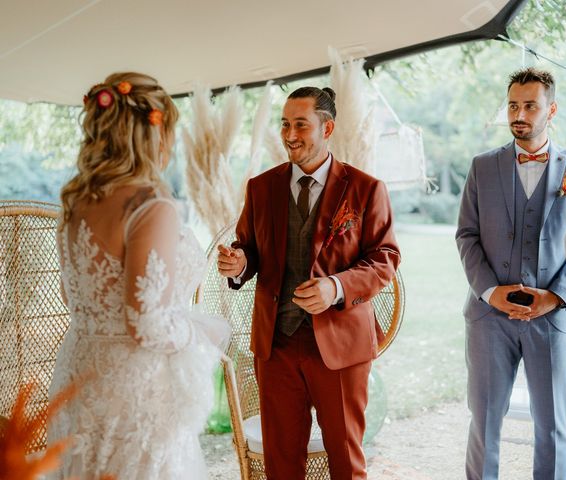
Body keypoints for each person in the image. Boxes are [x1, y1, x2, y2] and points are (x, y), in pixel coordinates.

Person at [48, 72, 228, 479]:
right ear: (154, 134)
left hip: (79, 373)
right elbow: (146, 324)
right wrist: (198, 335)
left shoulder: (77, 202)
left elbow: (71, 292)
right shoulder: (150, 205)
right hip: (134, 390)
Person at [217, 86, 400, 479]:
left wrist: (335, 288)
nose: (290, 134)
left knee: (345, 462)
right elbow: (249, 247)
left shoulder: (366, 188)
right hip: (277, 344)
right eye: (285, 124)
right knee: (281, 464)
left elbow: (385, 259)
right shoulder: (261, 187)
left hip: (340, 345)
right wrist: (239, 263)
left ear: (327, 127)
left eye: (301, 124)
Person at [456, 67, 566, 480]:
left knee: (552, 427)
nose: (519, 113)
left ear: (551, 109)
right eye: (513, 105)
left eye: (530, 105)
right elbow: (466, 234)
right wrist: (489, 292)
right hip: (488, 320)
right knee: (484, 424)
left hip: (552, 318)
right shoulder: (482, 167)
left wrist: (556, 296)